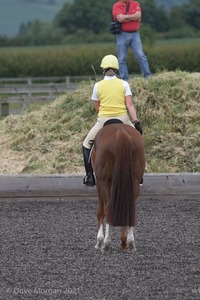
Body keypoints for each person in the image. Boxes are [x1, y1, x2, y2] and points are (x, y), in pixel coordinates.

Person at [82, 54, 143, 187]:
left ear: (103, 69)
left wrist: (105, 115)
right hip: (123, 118)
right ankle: (140, 175)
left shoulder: (97, 86)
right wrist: (136, 121)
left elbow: (97, 107)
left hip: (103, 120)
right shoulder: (124, 84)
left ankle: (89, 176)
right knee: (138, 141)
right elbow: (130, 105)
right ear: (116, 69)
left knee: (86, 144)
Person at [112, 0, 152, 81]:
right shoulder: (116, 6)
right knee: (122, 58)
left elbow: (138, 16)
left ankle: (148, 77)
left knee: (141, 55)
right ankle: (124, 79)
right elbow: (120, 19)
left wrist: (126, 17)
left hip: (135, 34)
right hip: (122, 34)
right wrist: (133, 17)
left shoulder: (135, 3)